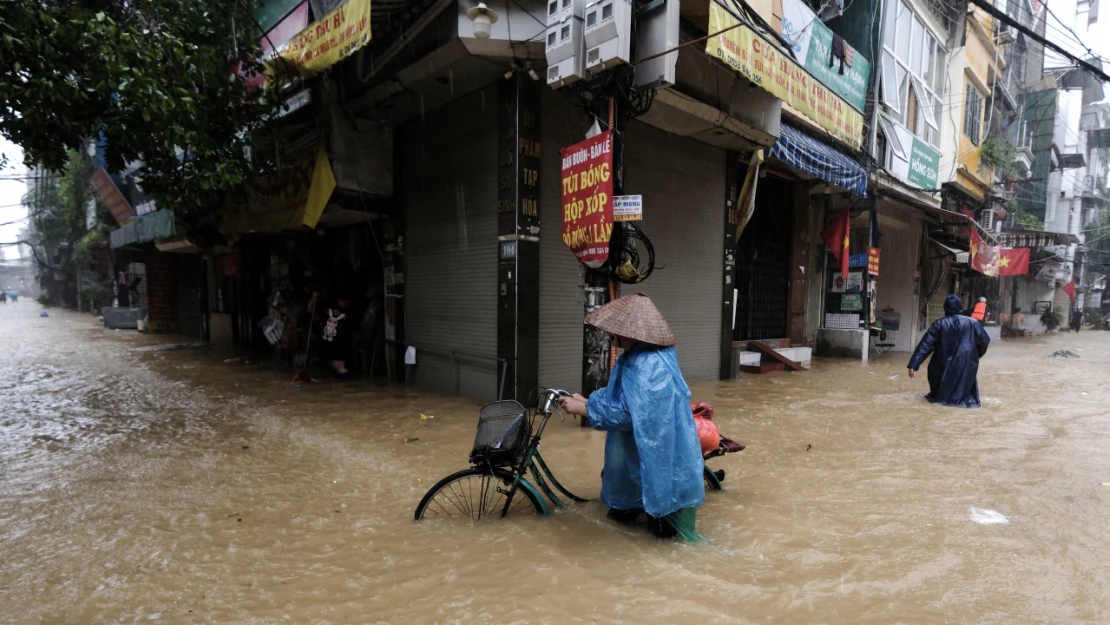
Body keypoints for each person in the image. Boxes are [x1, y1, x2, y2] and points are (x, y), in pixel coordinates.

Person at [558, 293, 704, 539]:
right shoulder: (635, 358)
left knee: (665, 540)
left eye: (614, 332)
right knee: (625, 522)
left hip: (659, 459)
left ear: (630, 334)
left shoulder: (649, 367)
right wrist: (589, 400)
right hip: (638, 455)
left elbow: (631, 416)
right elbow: (621, 396)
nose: (610, 337)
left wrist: (585, 409)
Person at [908, 294, 991, 407]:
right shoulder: (973, 323)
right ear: (959, 307)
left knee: (941, 396)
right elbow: (984, 341)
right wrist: (975, 355)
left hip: (941, 363)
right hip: (965, 364)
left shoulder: (938, 324)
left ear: (945, 308)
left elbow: (925, 345)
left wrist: (913, 364)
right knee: (964, 394)